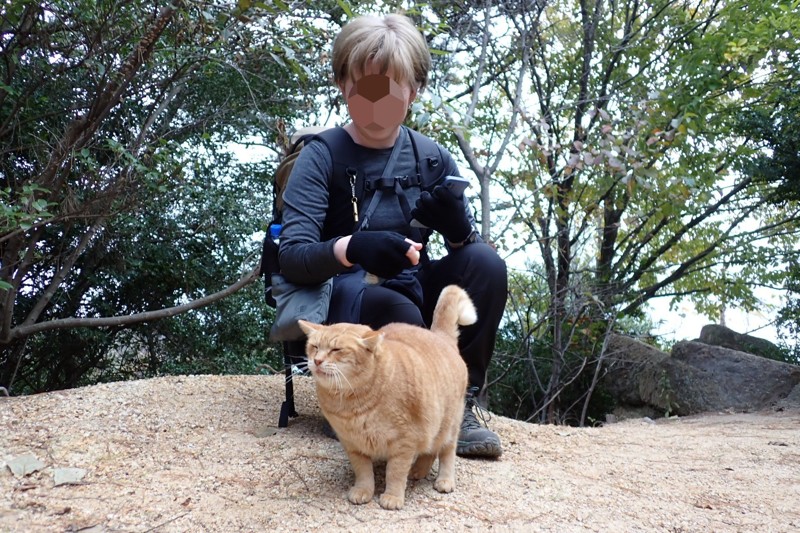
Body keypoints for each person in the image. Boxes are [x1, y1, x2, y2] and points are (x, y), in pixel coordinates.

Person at [278, 13, 507, 458]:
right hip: (347, 295)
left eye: (389, 90)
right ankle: (369, 407)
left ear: (413, 92)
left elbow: (469, 257)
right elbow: (293, 256)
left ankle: (456, 403)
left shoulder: (433, 160)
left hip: (411, 279)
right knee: (392, 303)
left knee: (486, 265)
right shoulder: (321, 157)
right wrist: (352, 248)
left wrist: (460, 233)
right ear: (343, 84)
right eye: (364, 87)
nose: (375, 101)